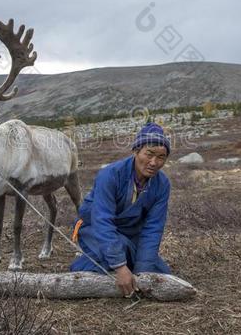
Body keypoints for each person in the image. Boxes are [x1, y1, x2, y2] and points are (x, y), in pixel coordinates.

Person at [70, 122, 172, 296]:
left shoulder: (162, 184)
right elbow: (102, 220)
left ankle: (114, 259)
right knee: (121, 251)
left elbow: (153, 229)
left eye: (161, 157)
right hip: (95, 228)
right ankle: (81, 266)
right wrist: (120, 266)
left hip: (131, 233)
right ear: (135, 151)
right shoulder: (110, 175)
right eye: (149, 154)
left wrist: (143, 274)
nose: (154, 162)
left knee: (160, 272)